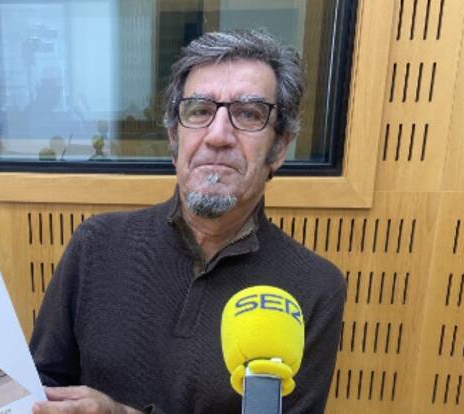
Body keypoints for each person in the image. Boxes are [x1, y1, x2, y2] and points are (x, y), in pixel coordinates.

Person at [29, 29, 346, 414]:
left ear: (278, 149)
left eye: (249, 114)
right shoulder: (96, 245)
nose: (218, 136)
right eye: (199, 111)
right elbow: (41, 387)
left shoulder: (313, 287)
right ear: (174, 139)